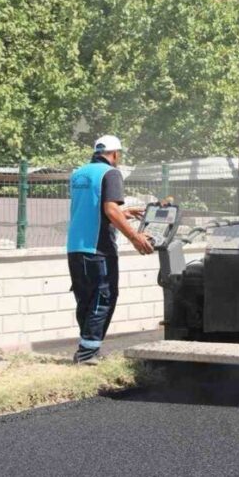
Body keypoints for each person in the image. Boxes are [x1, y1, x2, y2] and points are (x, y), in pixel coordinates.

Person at [66, 135, 154, 365]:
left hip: (75, 247)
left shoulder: (79, 173)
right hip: (98, 248)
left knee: (85, 299)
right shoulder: (111, 173)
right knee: (103, 297)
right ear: (115, 154)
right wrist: (135, 237)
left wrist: (125, 212)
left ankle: (86, 348)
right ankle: (87, 355)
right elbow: (109, 210)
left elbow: (92, 209)